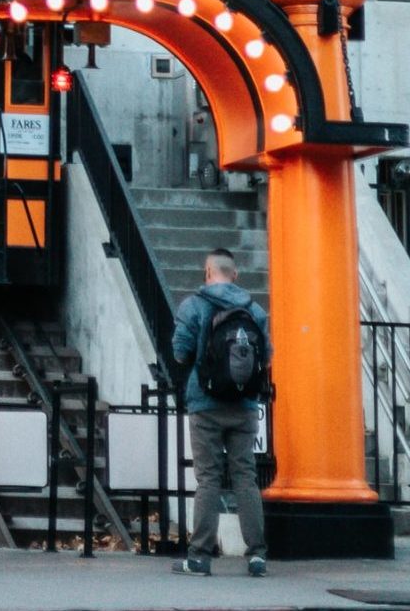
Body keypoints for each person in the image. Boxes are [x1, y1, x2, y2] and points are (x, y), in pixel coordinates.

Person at [172, 247, 272, 578]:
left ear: (207, 272)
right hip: (244, 406)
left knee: (208, 479)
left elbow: (180, 353)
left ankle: (199, 556)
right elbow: (267, 356)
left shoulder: (194, 306)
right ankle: (257, 555)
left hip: (205, 405)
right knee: (245, 476)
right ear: (236, 275)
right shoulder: (255, 311)